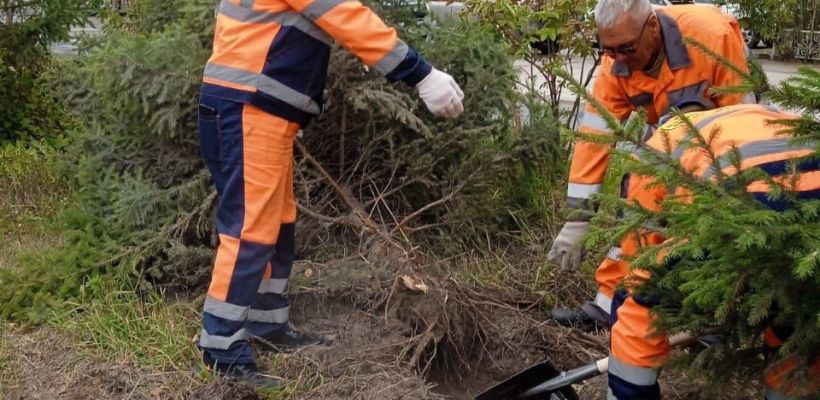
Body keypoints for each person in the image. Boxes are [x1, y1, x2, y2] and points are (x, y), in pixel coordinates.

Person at [196, 0, 465, 387]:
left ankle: (266, 323)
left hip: (253, 108)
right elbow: (346, 17)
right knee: (250, 229)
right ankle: (220, 349)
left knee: (277, 222)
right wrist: (420, 73)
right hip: (248, 110)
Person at [547, 0, 755, 325]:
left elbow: (744, 121)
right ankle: (611, 303)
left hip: (726, 133)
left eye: (627, 48)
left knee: (713, 211)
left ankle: (717, 313)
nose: (619, 60)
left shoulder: (710, 35)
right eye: (609, 49)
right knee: (639, 185)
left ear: (653, 27)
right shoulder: (615, 64)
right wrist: (578, 220)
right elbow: (593, 139)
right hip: (672, 132)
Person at [606, 102, 819, 400]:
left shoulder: (657, 145)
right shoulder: (749, 115)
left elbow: (639, 251)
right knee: (793, 310)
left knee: (638, 300)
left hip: (743, 208)